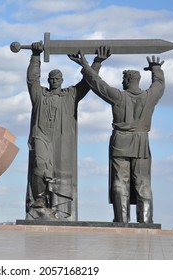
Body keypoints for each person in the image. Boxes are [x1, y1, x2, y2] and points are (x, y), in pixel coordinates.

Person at [69, 51, 165, 223]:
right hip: (141, 142)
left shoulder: (119, 97)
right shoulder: (149, 97)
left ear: (127, 80)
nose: (122, 82)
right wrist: (156, 69)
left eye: (123, 80)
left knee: (120, 181)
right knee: (143, 182)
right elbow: (159, 85)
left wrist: (85, 64)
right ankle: (146, 222)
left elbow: (97, 84)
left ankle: (122, 220)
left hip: (120, 141)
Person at [25, 42, 110, 221]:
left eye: (57, 78)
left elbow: (87, 83)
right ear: (48, 80)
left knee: (60, 174)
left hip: (62, 142)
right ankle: (39, 199)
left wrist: (97, 63)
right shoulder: (39, 94)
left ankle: (56, 208)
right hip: (41, 136)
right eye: (51, 78)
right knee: (40, 166)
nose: (54, 81)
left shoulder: (70, 95)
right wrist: (35, 57)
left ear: (62, 80)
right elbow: (32, 79)